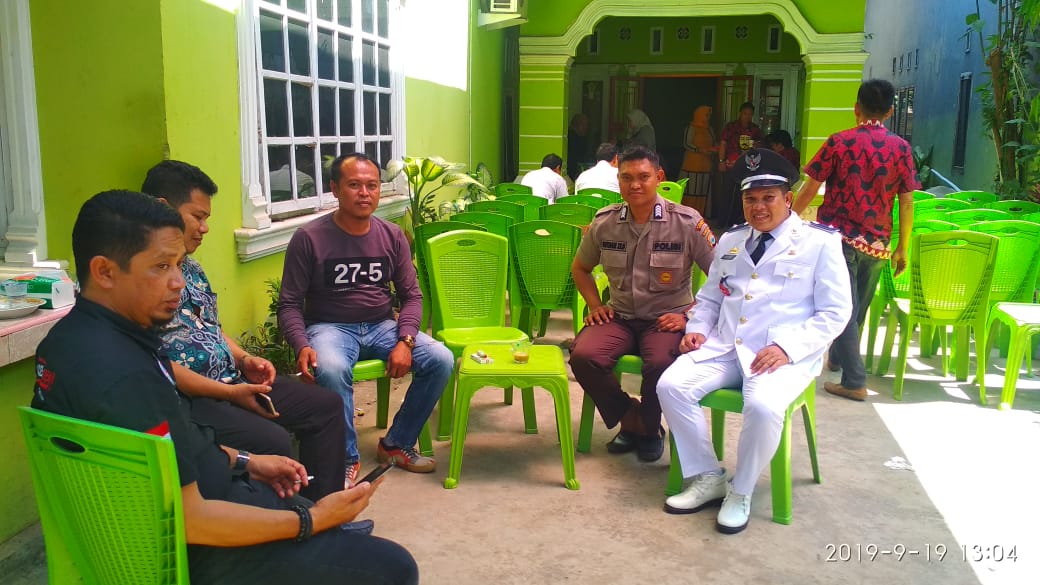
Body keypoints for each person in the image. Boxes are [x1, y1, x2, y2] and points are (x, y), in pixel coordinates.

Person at [32, 190, 418, 584]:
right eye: (161, 267)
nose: (178, 283)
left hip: (186, 506)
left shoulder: (65, 343)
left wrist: (246, 461)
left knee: (312, 504)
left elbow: (172, 452)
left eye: (178, 265)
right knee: (394, 566)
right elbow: (192, 521)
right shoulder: (127, 374)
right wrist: (312, 520)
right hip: (191, 549)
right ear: (105, 272)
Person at [657, 148, 852, 534]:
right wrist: (697, 327)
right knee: (671, 386)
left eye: (768, 198)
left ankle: (741, 491)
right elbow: (711, 297)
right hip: (726, 346)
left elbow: (835, 312)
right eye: (750, 199)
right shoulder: (731, 240)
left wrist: (788, 349)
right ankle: (709, 476)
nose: (758, 207)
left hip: (778, 354)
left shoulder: (819, 243)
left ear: (788, 199)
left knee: (762, 406)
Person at [141, 160, 347, 497]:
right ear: (163, 208)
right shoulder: (142, 278)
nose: (205, 228)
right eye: (198, 217)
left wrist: (244, 359)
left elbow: (209, 327)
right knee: (272, 439)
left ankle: (325, 511)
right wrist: (230, 394)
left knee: (325, 406)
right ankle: (289, 519)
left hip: (233, 381)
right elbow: (153, 363)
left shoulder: (191, 267)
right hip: (193, 399)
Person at [279, 153, 454, 475]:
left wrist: (406, 340)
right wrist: (301, 345)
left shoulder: (391, 236)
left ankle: (396, 444)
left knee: (440, 359)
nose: (364, 193)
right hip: (329, 328)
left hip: (381, 326)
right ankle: (344, 459)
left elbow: (411, 295)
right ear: (335, 188)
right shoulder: (309, 238)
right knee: (331, 369)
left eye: (372, 185)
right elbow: (289, 303)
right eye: (354, 185)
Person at [569, 146, 717, 462]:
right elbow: (580, 268)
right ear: (618, 180)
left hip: (666, 318)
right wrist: (595, 305)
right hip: (619, 316)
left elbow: (722, 278)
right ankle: (631, 418)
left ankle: (649, 429)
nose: (634, 185)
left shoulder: (686, 222)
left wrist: (689, 316)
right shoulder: (605, 222)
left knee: (662, 363)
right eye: (626, 178)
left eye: (643, 177)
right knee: (583, 356)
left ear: (659, 177)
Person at [792, 79, 919, 402]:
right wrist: (902, 247)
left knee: (844, 308)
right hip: (878, 243)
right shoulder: (901, 148)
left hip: (837, 240)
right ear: (890, 111)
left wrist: (787, 220)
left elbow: (810, 187)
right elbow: (906, 202)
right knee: (855, 307)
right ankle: (838, 358)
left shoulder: (839, 142)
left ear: (856, 108)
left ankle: (854, 380)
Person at [715, 102, 764, 226]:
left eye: (750, 114)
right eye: (745, 114)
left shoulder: (755, 129)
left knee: (743, 193)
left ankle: (740, 222)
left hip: (748, 165)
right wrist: (721, 161)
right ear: (740, 113)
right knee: (727, 192)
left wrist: (754, 145)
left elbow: (760, 146)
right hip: (730, 163)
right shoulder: (731, 127)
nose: (747, 116)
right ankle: (722, 222)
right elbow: (723, 143)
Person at [678, 105, 717, 213]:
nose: (708, 118)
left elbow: (713, 143)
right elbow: (687, 144)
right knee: (691, 189)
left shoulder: (709, 129)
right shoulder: (691, 128)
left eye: (709, 115)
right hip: (692, 165)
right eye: (706, 115)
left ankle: (701, 213)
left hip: (706, 164)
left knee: (702, 189)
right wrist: (699, 150)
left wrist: (714, 149)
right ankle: (688, 213)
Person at [567, 113, 591, 182]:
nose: (585, 127)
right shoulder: (571, 137)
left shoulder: (581, 137)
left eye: (586, 125)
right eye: (583, 124)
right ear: (576, 124)